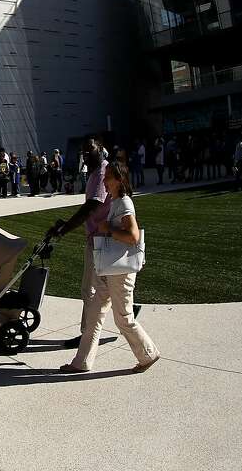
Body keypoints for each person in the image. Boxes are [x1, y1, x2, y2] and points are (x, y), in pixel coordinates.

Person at [60, 161, 158, 373]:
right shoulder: (115, 201)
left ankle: (148, 354)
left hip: (120, 272)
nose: (104, 180)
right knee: (95, 314)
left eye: (108, 177)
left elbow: (133, 236)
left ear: (119, 180)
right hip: (109, 269)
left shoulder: (124, 203)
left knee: (123, 318)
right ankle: (82, 362)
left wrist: (108, 229)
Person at [48, 138, 111, 350]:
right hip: (99, 238)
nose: (85, 154)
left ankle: (87, 334)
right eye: (83, 152)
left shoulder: (102, 172)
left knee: (90, 289)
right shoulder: (95, 172)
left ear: (100, 150)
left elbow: (92, 206)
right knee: (106, 287)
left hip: (100, 240)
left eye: (90, 150)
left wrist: (65, 228)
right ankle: (126, 310)